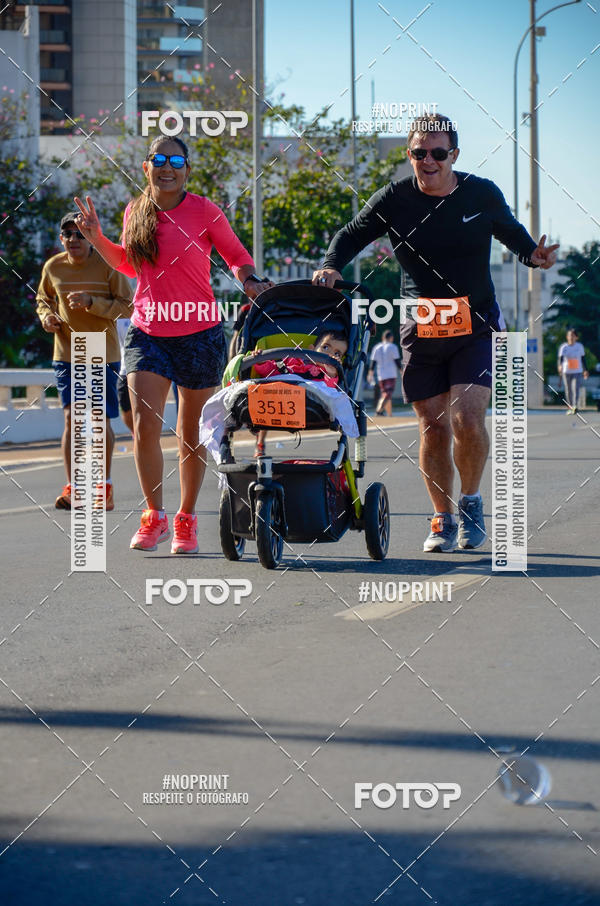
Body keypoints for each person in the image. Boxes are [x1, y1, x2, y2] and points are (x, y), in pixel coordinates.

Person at [313, 113, 558, 553]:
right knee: (431, 425)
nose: (428, 160)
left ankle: (470, 503)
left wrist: (534, 256)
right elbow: (351, 235)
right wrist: (331, 263)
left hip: (476, 321)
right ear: (410, 155)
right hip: (420, 324)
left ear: (454, 156)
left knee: (466, 415)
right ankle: (442, 517)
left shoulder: (480, 192)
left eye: (438, 153)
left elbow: (514, 237)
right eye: (419, 153)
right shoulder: (394, 198)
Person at [73, 136, 272, 554]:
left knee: (189, 434)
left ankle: (186, 519)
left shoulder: (204, 210)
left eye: (176, 160)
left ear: (187, 169)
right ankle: (154, 517)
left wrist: (249, 280)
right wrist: (96, 238)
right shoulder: (136, 210)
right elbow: (128, 262)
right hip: (148, 331)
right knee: (145, 426)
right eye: (159, 159)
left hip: (198, 333)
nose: (168, 167)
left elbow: (235, 254)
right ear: (147, 167)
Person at [36, 212, 133, 511]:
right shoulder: (53, 267)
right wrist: (47, 318)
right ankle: (75, 487)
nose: (74, 239)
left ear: (89, 237)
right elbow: (43, 299)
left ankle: (104, 487)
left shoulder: (107, 264)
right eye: (68, 234)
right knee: (72, 419)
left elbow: (128, 307)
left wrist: (94, 303)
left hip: (101, 350)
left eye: (79, 233)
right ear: (61, 238)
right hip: (67, 351)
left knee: (97, 420)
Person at [252, 330, 348, 388]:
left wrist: (331, 374)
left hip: (310, 405)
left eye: (337, 353)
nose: (329, 354)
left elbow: (330, 390)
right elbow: (270, 372)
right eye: (325, 347)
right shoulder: (292, 359)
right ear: (312, 349)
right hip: (280, 393)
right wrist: (261, 361)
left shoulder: (326, 375)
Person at [368, 330, 401, 416]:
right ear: (391, 338)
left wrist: (370, 374)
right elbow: (397, 361)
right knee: (387, 393)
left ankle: (390, 414)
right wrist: (401, 371)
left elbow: (373, 363)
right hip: (391, 374)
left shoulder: (376, 347)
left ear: (383, 338)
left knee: (385, 394)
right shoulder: (393, 347)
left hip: (381, 375)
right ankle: (379, 410)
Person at [558, 328, 588, 415]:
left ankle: (575, 406)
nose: (571, 337)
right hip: (566, 371)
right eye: (569, 335)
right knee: (568, 390)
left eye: (573, 335)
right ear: (567, 337)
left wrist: (585, 370)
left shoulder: (579, 346)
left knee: (576, 388)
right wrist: (560, 366)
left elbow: (583, 359)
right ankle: (570, 407)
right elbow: (561, 359)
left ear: (576, 337)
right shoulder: (564, 347)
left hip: (577, 371)